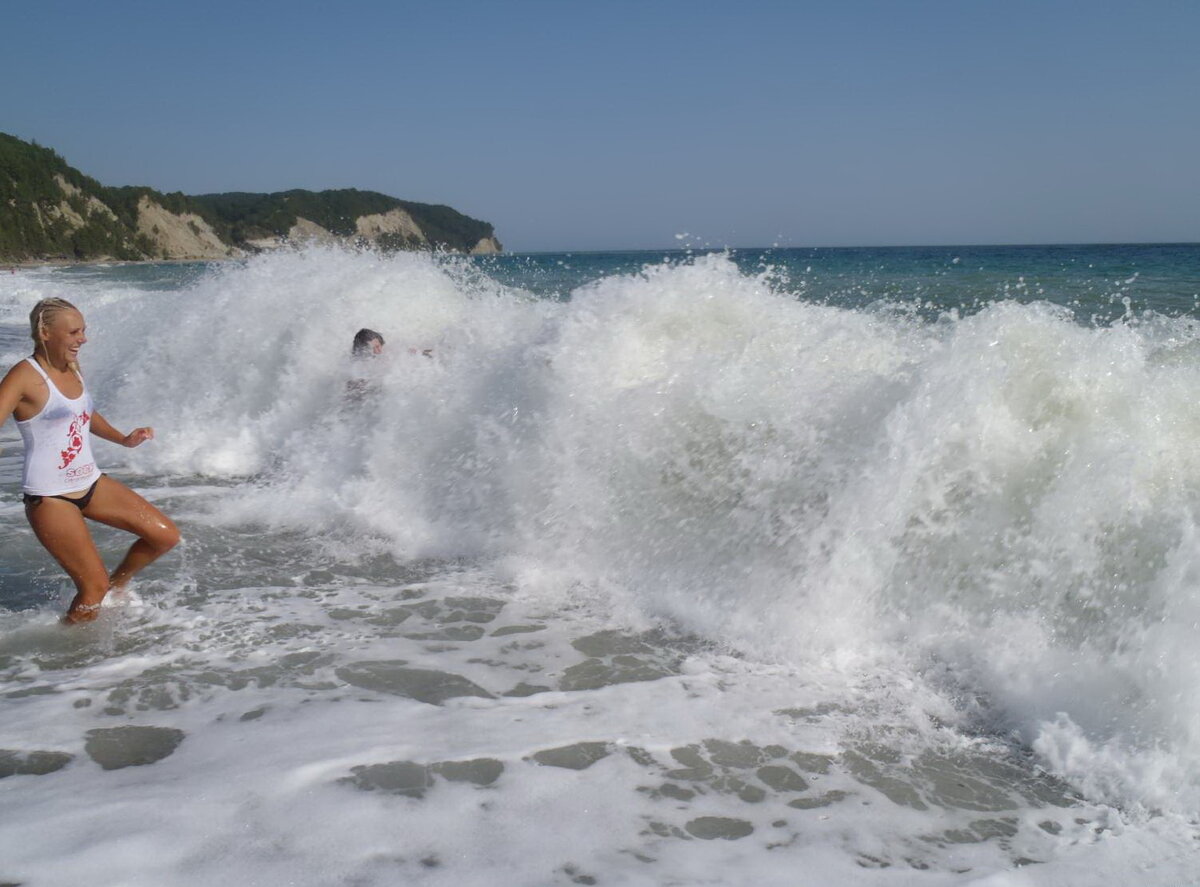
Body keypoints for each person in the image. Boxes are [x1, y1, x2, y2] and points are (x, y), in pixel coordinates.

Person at [0, 297, 180, 623]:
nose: (82, 338)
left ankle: (117, 587)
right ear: (45, 332)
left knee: (164, 535)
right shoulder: (24, 376)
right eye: (73, 332)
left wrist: (124, 439)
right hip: (51, 497)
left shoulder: (71, 368)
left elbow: (84, 413)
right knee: (91, 588)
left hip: (90, 482)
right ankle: (71, 653)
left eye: (83, 330)